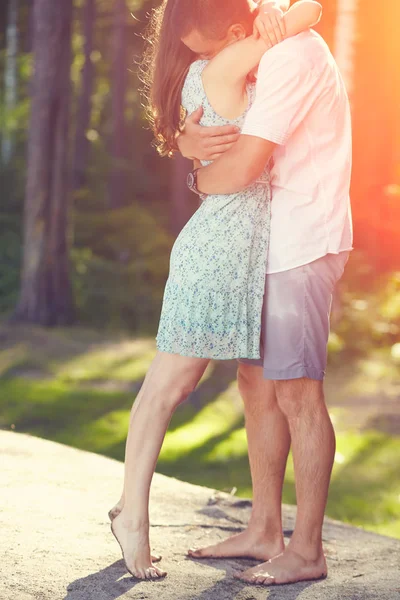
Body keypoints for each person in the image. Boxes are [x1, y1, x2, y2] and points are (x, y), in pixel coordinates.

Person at [108, 0, 322, 582]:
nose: (199, 52)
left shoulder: (207, 71)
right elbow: (313, 11)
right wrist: (282, 18)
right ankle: (133, 514)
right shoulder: (226, 66)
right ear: (235, 34)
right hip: (218, 252)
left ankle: (133, 507)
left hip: (224, 248)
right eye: (200, 45)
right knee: (168, 385)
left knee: (175, 384)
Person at [176, 0, 353, 588]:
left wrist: (195, 172)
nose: (211, 63)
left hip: (303, 238)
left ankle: (307, 549)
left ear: (232, 29)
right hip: (270, 243)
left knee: (297, 391)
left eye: (209, 51)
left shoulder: (289, 59)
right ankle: (263, 529)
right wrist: (190, 146)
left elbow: (246, 165)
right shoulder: (268, 47)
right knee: (255, 381)